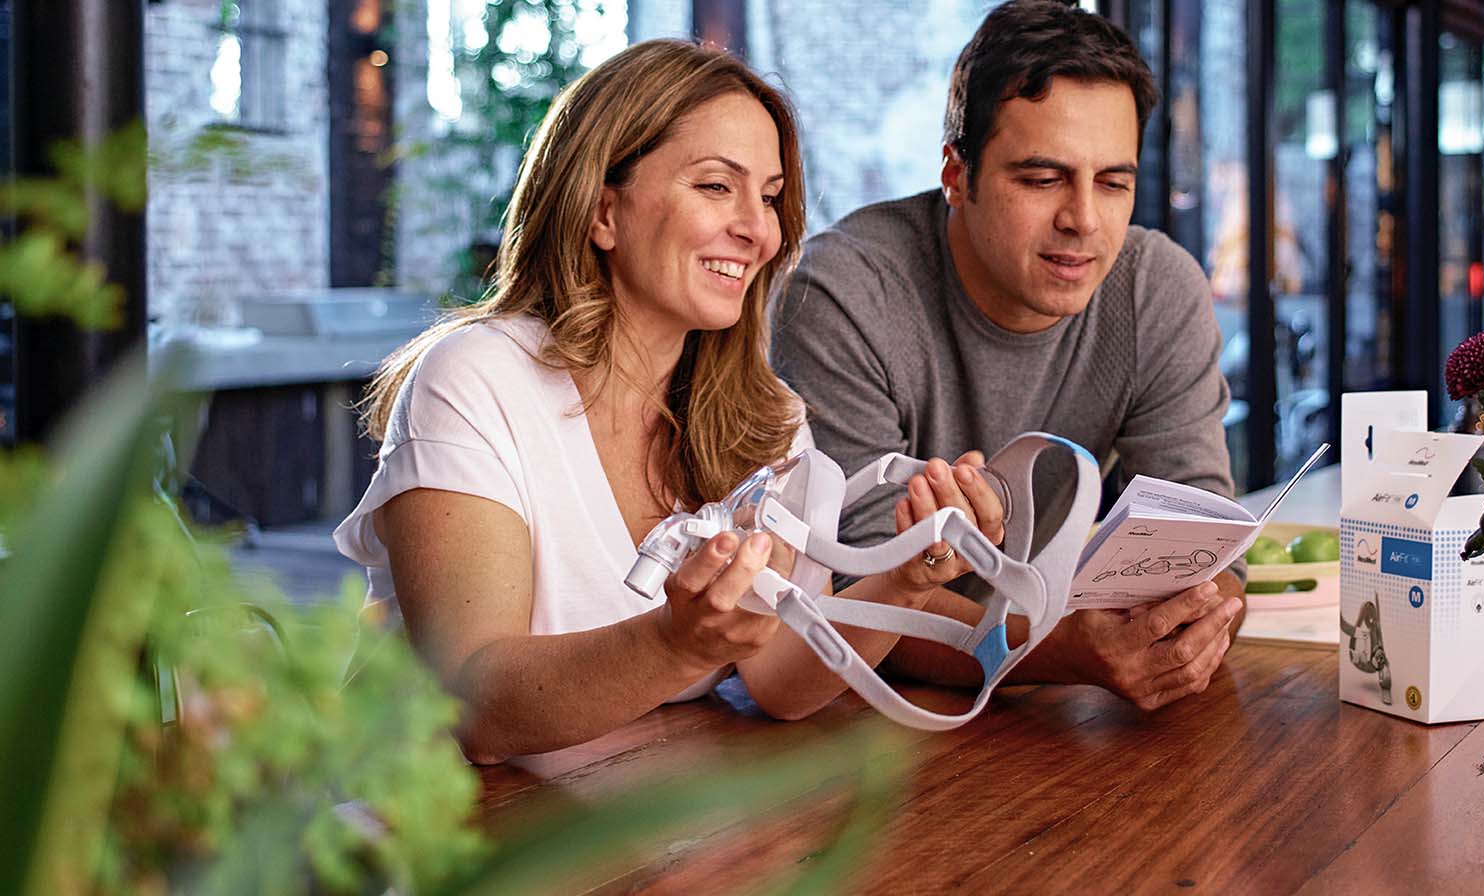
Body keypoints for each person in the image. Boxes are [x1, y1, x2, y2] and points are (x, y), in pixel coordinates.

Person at [335, 40, 1002, 763]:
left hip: (631, 823)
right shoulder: (474, 379)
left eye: (771, 197)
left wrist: (905, 577)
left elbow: (780, 679)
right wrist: (674, 644)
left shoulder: (768, 421)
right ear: (602, 212)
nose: (759, 229)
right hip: (421, 827)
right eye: (717, 186)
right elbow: (475, 706)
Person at [771, 0, 1245, 713]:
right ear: (956, 175)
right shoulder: (843, 296)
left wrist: (1200, 620)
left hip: (1041, 708)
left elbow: (1205, 537)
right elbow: (850, 603)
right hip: (852, 721)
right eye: (1042, 178)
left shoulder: (1156, 288)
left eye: (1114, 182)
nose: (1084, 220)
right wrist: (1058, 650)